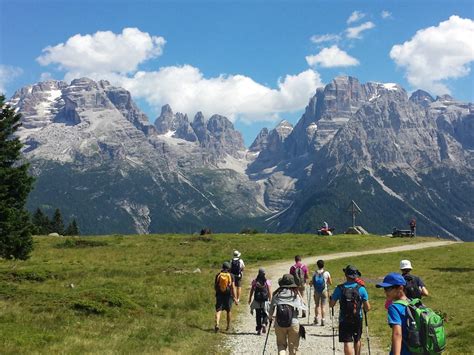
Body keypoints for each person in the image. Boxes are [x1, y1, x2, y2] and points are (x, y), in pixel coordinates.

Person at [330, 265, 371, 355]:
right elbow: (368, 307)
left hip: (344, 318)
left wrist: (331, 298)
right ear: (356, 276)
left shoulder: (339, 288)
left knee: (347, 341)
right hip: (357, 318)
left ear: (346, 275)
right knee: (357, 339)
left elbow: (331, 304)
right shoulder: (361, 289)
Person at [269, 274, 307, 355]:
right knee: (293, 348)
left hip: (279, 323)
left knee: (281, 346)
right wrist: (299, 294)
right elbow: (304, 305)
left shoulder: (277, 294)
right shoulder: (295, 294)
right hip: (293, 323)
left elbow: (271, 310)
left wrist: (270, 318)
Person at [376, 272, 411, 355]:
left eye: (388, 289)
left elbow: (397, 334)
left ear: (400, 288)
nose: (385, 292)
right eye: (384, 289)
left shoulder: (394, 307)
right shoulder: (412, 303)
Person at [214, 261, 237, 332]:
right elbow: (233, 287)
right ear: (229, 268)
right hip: (228, 295)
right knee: (228, 310)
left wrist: (218, 292)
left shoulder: (218, 275)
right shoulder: (231, 275)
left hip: (219, 294)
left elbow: (215, 286)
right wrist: (235, 298)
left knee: (218, 310)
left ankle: (217, 324)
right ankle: (228, 326)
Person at [248, 268, 272, 335]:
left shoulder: (255, 281)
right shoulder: (267, 281)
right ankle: (264, 323)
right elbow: (269, 291)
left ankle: (259, 329)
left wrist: (250, 299)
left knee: (258, 315)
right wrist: (270, 299)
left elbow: (252, 290)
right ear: (264, 274)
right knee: (265, 313)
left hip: (257, 300)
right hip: (265, 300)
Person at [310, 259, 332, 326]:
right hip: (324, 291)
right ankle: (323, 320)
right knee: (323, 306)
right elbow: (330, 283)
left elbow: (311, 283)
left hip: (316, 291)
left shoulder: (314, 273)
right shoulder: (326, 273)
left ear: (317, 265)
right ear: (323, 265)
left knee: (317, 305)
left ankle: (316, 319)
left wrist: (311, 284)